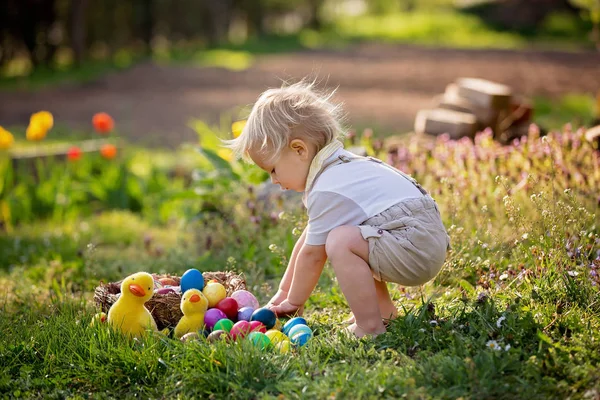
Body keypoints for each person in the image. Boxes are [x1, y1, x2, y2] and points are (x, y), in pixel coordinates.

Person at [225, 80, 450, 337]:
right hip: (421, 238)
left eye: (273, 169)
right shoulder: (339, 168)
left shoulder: (327, 187)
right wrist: (283, 293)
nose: (273, 181)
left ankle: (370, 327)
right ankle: (383, 312)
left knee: (341, 241)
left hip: (415, 246)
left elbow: (313, 255)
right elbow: (308, 240)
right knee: (353, 235)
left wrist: (295, 301)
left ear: (299, 149)